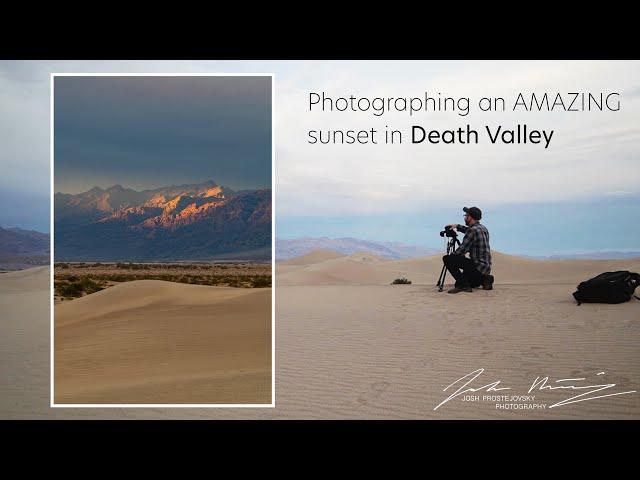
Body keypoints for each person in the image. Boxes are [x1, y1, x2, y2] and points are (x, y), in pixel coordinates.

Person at [442, 206, 494, 294]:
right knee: (468, 280)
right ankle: (486, 279)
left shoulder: (472, 231)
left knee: (448, 259)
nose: (465, 217)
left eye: (466, 215)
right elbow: (468, 230)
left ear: (470, 217)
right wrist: (457, 226)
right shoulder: (483, 228)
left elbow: (461, 251)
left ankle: (464, 286)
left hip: (477, 266)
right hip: (485, 268)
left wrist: (452, 256)